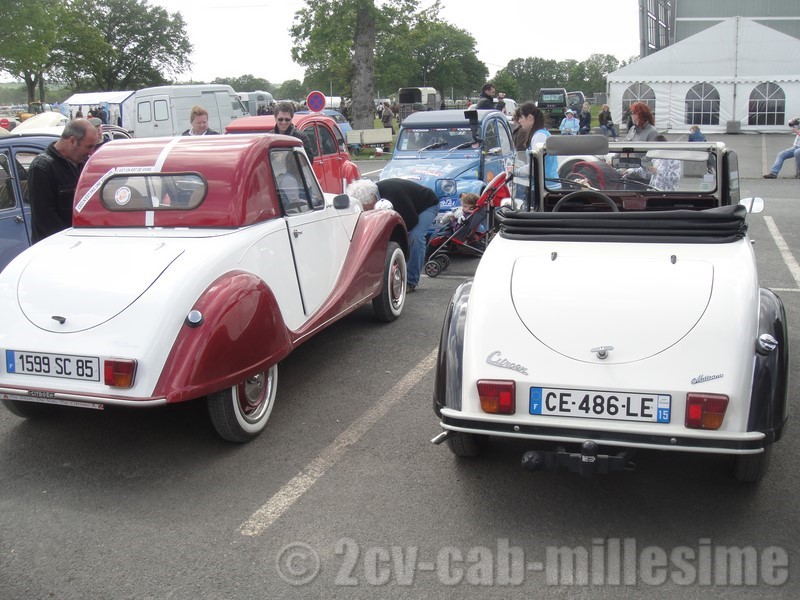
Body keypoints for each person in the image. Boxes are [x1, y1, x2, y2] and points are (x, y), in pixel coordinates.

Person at [346, 178, 438, 292]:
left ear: (373, 198)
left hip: (426, 205)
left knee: (415, 237)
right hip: (409, 208)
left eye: (366, 207)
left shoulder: (394, 194)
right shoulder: (373, 196)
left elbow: (411, 220)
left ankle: (411, 280)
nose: (365, 210)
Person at [28, 118, 99, 243]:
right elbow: (45, 217)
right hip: (54, 248)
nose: (91, 152)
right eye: (88, 147)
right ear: (72, 141)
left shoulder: (81, 164)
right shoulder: (41, 168)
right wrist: (71, 241)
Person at [517, 102, 560, 189]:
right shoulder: (542, 133)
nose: (519, 121)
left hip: (546, 187)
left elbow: (535, 166)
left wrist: (515, 171)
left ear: (529, 117)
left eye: (521, 117)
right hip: (547, 184)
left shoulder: (539, 136)